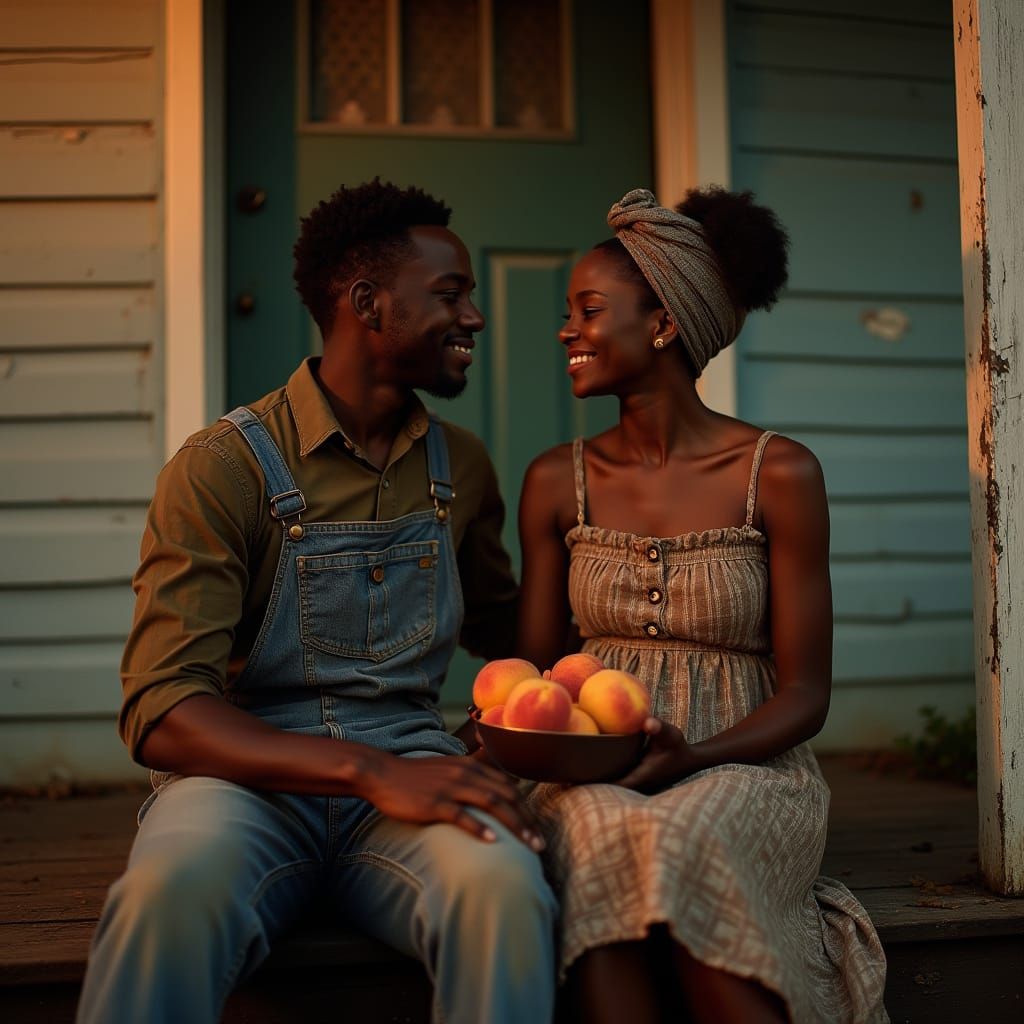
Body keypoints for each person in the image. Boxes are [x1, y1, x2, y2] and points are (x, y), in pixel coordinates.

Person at [76, 180, 557, 1024]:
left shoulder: (462, 468)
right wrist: (365, 774)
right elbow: (163, 709)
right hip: (241, 783)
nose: (475, 317)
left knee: (503, 887)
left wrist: (597, 549)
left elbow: (505, 633)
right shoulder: (225, 467)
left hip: (415, 766)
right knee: (166, 895)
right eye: (451, 294)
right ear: (367, 304)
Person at [515, 187, 888, 1023]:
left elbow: (806, 696)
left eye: (588, 311)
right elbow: (535, 674)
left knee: (682, 833)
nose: (566, 331)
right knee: (611, 835)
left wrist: (694, 759)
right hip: (595, 770)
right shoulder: (553, 482)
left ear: (662, 325)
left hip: (750, 770)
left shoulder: (778, 474)